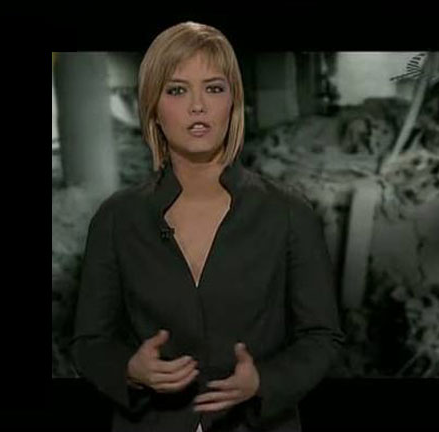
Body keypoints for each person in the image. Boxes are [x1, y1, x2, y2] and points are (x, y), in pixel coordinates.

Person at [71, 21, 345, 432]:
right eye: (177, 90)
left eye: (214, 88)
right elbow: (89, 344)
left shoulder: (289, 213)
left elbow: (322, 337)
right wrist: (129, 369)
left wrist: (264, 382)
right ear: (153, 108)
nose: (198, 106)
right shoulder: (116, 218)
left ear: (233, 102)